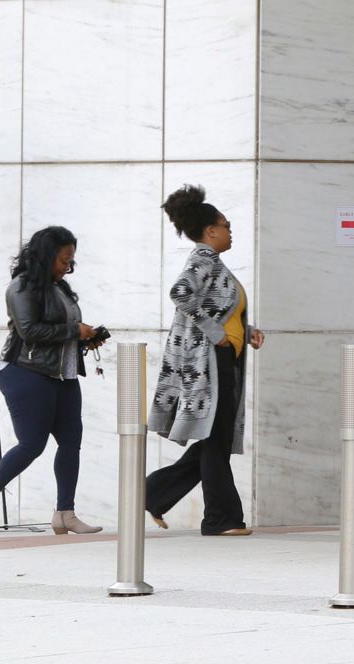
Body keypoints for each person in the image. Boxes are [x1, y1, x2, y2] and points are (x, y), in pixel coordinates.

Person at [0, 226, 107, 538]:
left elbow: (59, 330)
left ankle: (64, 514)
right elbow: (30, 331)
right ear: (47, 256)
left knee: (71, 443)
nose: (67, 266)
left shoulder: (61, 288)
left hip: (63, 375)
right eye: (63, 260)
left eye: (71, 261)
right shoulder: (22, 287)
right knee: (32, 444)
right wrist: (75, 331)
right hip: (26, 373)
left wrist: (86, 339)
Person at [146, 184, 265, 536]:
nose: (231, 232)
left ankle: (153, 493)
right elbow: (180, 293)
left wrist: (247, 329)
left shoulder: (213, 262)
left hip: (221, 359)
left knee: (215, 438)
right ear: (210, 231)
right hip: (211, 362)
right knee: (215, 440)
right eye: (226, 226)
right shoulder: (204, 259)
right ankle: (220, 518)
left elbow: (217, 308)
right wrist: (216, 334)